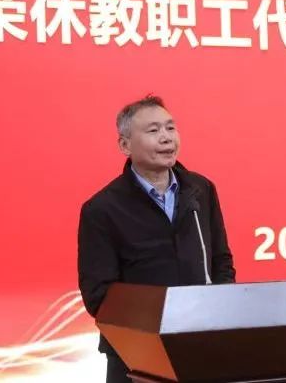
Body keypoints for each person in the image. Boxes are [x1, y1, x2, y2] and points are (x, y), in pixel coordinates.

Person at [77, 95, 236, 383]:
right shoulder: (102, 209)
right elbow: (98, 294)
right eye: (153, 130)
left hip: (201, 345)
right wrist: (155, 327)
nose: (166, 138)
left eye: (170, 128)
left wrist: (218, 314)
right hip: (137, 356)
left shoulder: (200, 190)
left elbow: (221, 262)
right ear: (125, 145)